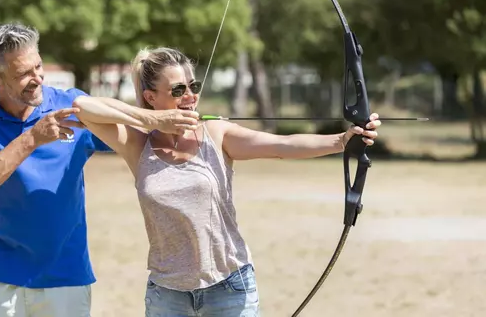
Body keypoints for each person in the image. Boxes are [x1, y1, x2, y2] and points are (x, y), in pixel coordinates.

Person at [72, 46, 383, 316]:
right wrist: (151, 121)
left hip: (229, 289)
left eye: (192, 86)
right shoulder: (138, 145)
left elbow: (281, 146)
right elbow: (83, 108)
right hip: (167, 295)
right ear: (151, 97)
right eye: (178, 90)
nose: (190, 96)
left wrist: (343, 140)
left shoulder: (216, 133)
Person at [0, 23, 198, 317]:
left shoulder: (72, 105)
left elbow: (143, 138)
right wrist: (32, 138)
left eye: (38, 66)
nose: (37, 78)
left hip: (67, 280)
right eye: (23, 74)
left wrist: (169, 113)